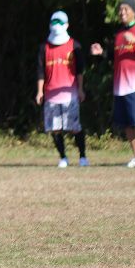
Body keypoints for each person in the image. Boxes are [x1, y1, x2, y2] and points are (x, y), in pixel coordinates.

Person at [91, 0, 135, 168]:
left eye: (125, 9)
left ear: (133, 11)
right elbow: (115, 56)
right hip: (120, 86)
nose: (122, 13)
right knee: (127, 124)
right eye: (120, 10)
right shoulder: (119, 34)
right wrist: (102, 53)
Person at [36, 11, 88, 168]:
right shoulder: (44, 47)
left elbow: (80, 71)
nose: (56, 25)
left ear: (67, 25)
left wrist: (80, 89)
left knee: (74, 128)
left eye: (59, 22)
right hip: (51, 95)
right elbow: (40, 71)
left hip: (70, 94)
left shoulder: (74, 45)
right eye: (54, 22)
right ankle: (63, 157)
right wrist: (40, 91)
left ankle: (82, 157)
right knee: (55, 128)